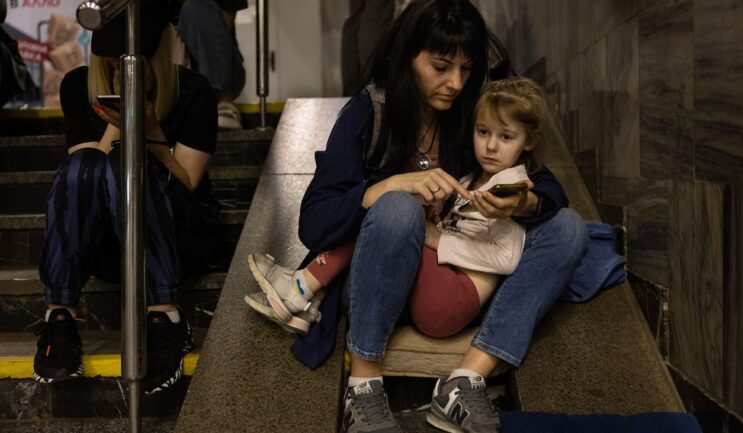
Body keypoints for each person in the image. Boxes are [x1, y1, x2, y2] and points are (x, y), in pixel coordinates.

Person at [255, 1, 586, 432]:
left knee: (568, 228)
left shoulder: (469, 114)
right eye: (441, 67)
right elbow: (315, 223)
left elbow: (550, 188)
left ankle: (465, 381)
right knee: (398, 208)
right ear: (407, 56)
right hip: (377, 280)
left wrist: (522, 203)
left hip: (454, 275)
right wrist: (387, 187)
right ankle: (364, 385)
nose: (455, 83)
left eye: (466, 70)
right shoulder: (370, 111)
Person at [244, 78, 548, 341]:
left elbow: (506, 258)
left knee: (390, 211)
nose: (491, 146)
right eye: (483, 132)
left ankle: (303, 287)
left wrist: (435, 237)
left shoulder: (513, 188)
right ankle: (308, 292)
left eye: (505, 137)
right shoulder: (472, 176)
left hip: (454, 298)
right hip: (441, 282)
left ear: (530, 141)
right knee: (389, 214)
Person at [33, 0, 220, 395]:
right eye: (113, 59)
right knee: (88, 164)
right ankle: (59, 314)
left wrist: (149, 129)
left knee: (127, 167)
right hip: (108, 237)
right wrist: (120, 118)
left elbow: (187, 180)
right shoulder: (77, 87)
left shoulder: (194, 91)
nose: (122, 65)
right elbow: (84, 182)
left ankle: (164, 315)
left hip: (173, 229)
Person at [176, 0, 247, 129]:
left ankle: (222, 100)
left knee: (196, 7)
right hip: (169, 67)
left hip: (219, 69)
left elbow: (225, 24)